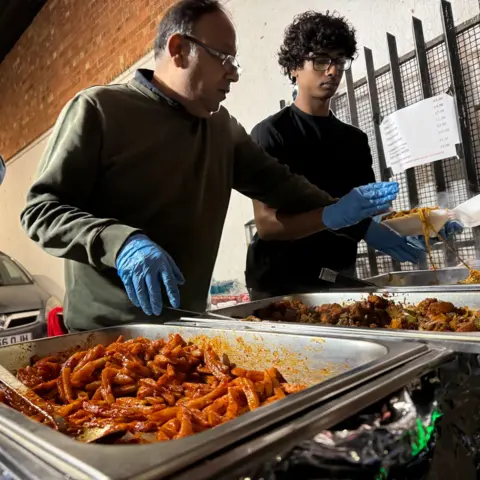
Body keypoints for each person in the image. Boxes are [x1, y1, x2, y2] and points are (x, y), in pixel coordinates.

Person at [21, 0, 399, 332]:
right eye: (225, 59)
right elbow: (41, 212)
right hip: (106, 336)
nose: (234, 73)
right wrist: (122, 244)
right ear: (179, 49)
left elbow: (281, 185)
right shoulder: (99, 110)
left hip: (187, 326)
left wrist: (345, 213)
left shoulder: (221, 128)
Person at [245, 11, 462, 299]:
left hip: (338, 278)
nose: (332, 71)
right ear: (295, 66)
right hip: (280, 283)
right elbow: (268, 225)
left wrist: (423, 226)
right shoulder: (271, 133)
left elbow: (372, 216)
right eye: (321, 60)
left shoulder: (354, 140)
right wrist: (331, 216)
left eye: (339, 61)